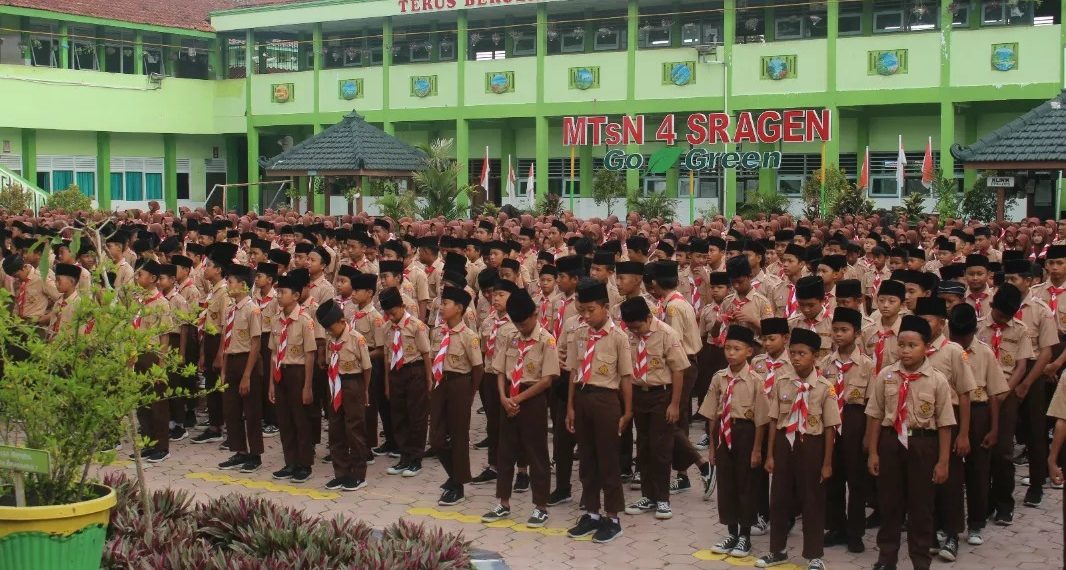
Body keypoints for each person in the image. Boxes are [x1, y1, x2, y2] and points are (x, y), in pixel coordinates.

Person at [865, 314, 955, 570]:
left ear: (926, 347)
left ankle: (920, 560)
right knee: (889, 504)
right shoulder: (886, 376)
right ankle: (886, 558)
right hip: (891, 443)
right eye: (901, 344)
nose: (905, 351)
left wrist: (943, 461)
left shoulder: (937, 380)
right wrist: (873, 452)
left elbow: (946, 424)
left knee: (921, 508)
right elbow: (874, 415)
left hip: (923, 445)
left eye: (912, 345)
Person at [756, 328, 838, 570]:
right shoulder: (782, 382)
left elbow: (831, 428)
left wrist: (827, 463)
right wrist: (770, 454)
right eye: (792, 353)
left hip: (811, 445)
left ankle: (814, 555)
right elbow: (773, 420)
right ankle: (777, 550)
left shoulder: (824, 387)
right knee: (778, 498)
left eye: (802, 353)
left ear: (815, 356)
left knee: (812, 499)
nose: (795, 358)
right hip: (784, 442)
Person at [564, 278, 633, 544]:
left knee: (608, 461)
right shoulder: (580, 333)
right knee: (587, 461)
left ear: (605, 307)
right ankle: (592, 514)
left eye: (591, 310)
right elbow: (573, 370)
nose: (586, 315)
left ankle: (613, 518)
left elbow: (626, 377)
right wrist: (570, 406)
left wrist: (627, 412)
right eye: (582, 310)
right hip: (582, 398)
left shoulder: (618, 337)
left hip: (606, 401)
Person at [482, 289, 558, 528]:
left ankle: (541, 506)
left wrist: (518, 399)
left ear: (535, 315)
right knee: (505, 451)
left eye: (524, 323)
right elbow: (500, 370)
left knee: (536, 454)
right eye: (517, 323)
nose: (521, 327)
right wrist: (504, 397)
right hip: (509, 398)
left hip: (532, 399)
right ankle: (503, 502)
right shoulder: (510, 336)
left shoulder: (546, 340)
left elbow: (547, 379)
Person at [915, 296, 976, 561]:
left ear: (941, 323)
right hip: (920, 426)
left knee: (950, 481)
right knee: (924, 482)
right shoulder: (913, 349)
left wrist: (963, 433)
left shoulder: (953, 351)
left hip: (948, 425)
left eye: (928, 320)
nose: (923, 325)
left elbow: (964, 393)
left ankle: (952, 534)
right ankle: (929, 532)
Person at [700, 325, 769, 559]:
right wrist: (711, 445)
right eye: (728, 348)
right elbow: (713, 414)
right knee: (727, 483)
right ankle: (731, 531)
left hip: (746, 432)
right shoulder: (719, 377)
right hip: (724, 432)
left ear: (749, 351)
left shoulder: (756, 381)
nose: (731, 353)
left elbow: (761, 420)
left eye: (736, 349)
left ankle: (745, 535)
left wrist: (757, 449)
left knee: (746, 484)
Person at [621, 296, 689, 520]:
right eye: (630, 327)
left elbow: (678, 370)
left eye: (638, 326)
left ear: (648, 318)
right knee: (643, 446)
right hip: (639, 394)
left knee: (661, 449)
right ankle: (647, 496)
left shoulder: (667, 334)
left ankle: (662, 499)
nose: (635, 331)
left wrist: (675, 404)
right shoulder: (629, 335)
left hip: (662, 395)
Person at [947, 303, 1008, 547]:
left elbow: (994, 393)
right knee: (951, 472)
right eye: (955, 337)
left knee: (979, 470)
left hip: (979, 411)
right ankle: (949, 523)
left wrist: (994, 429)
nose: (959, 341)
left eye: (964, 337)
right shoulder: (944, 351)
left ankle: (975, 524)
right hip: (950, 413)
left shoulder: (984, 353)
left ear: (973, 332)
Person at [979, 283, 1035, 526]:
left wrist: (1004, 392)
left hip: (1005, 394)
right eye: (1001, 315)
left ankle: (1004, 503)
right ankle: (982, 503)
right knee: (980, 451)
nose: (1004, 320)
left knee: (1003, 452)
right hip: (980, 395)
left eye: (1009, 316)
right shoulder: (978, 327)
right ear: (992, 306)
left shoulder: (1020, 330)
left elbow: (1021, 365)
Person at [823, 306, 875, 553]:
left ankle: (855, 531)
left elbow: (873, 405)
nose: (839, 335)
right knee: (832, 478)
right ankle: (836, 527)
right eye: (835, 330)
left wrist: (868, 437)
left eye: (844, 330)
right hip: (831, 425)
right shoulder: (824, 364)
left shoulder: (867, 365)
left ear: (856, 333)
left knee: (856, 481)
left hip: (856, 423)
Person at [430, 286, 483, 506]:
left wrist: (470, 395)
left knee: (459, 437)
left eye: (446, 304)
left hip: (460, 385)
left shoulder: (469, 336)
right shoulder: (438, 332)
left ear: (459, 308)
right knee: (437, 437)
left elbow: (478, 369)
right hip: (440, 384)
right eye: (442, 303)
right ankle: (454, 475)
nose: (441, 307)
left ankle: (458, 486)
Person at [315, 299, 372, 492]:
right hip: (335, 384)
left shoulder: (357, 339)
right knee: (335, 428)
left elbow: (367, 368)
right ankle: (341, 473)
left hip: (352, 383)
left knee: (354, 428)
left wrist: (364, 390)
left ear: (341, 321)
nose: (330, 332)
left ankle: (358, 474)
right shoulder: (332, 341)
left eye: (331, 327)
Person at [268, 269, 318, 483]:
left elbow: (310, 355)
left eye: (282, 292)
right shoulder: (276, 320)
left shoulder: (305, 321)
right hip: (280, 372)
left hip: (297, 373)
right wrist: (271, 383)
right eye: (277, 292)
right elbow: (272, 352)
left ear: (296, 296)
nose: (278, 296)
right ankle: (290, 461)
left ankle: (304, 463)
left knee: (301, 419)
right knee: (284, 419)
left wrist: (307, 386)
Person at [216, 264, 264, 473]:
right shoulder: (230, 309)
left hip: (247, 361)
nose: (228, 284)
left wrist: (246, 375)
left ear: (243, 285)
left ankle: (255, 454)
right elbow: (226, 341)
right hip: (232, 359)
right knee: (231, 408)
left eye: (231, 281)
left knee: (251, 410)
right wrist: (224, 369)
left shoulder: (252, 309)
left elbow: (255, 344)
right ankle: (239, 450)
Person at [381, 286, 433, 478]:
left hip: (415, 371)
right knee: (399, 416)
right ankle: (404, 456)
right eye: (387, 313)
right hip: (396, 373)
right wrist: (387, 383)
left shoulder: (415, 325)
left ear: (402, 306)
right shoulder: (387, 327)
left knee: (417, 416)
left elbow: (426, 354)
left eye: (393, 312)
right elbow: (387, 357)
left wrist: (429, 379)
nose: (391, 317)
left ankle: (416, 459)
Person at [131, 259, 174, 463]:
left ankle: (161, 446)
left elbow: (165, 336)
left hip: (154, 355)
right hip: (138, 353)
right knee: (142, 403)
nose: (137, 277)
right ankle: (147, 443)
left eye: (141, 274)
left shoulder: (161, 303)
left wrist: (162, 364)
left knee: (157, 404)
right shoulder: (137, 299)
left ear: (153, 279)